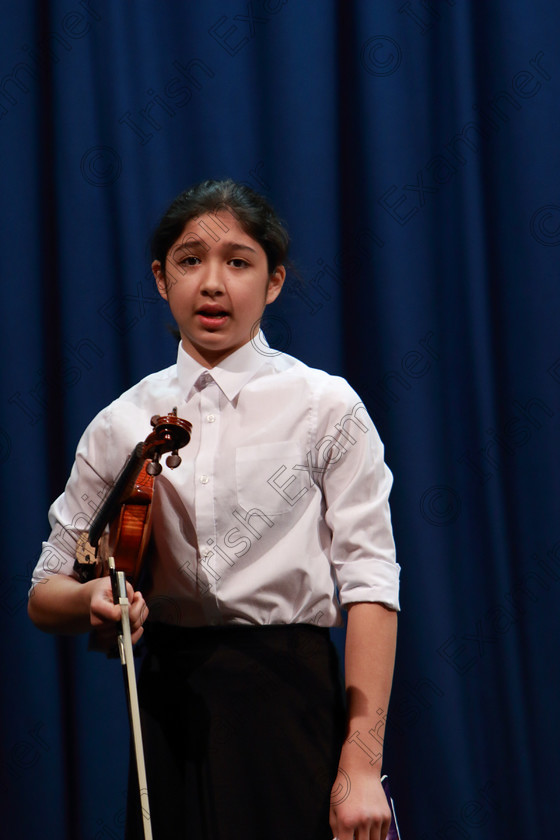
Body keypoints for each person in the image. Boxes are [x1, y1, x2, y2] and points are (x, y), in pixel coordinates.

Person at [28, 179, 400, 840]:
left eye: (238, 261)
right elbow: (49, 586)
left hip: (292, 696)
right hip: (173, 704)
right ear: (160, 277)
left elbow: (372, 584)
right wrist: (91, 602)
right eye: (190, 259)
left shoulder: (326, 407)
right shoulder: (123, 425)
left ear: (274, 281)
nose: (212, 283)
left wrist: (363, 764)